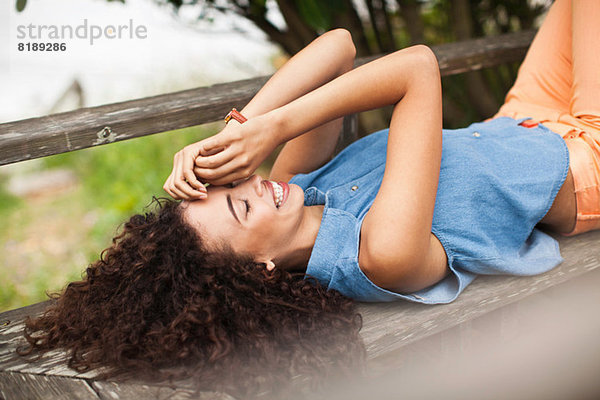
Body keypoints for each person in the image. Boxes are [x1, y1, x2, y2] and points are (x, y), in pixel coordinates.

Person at [20, 0, 599, 395]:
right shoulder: (382, 254)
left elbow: (339, 47)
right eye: (240, 205)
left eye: (234, 185)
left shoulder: (297, 189)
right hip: (585, 160)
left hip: (522, 120)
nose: (254, 185)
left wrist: (237, 128)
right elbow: (418, 68)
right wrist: (272, 131)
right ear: (263, 271)